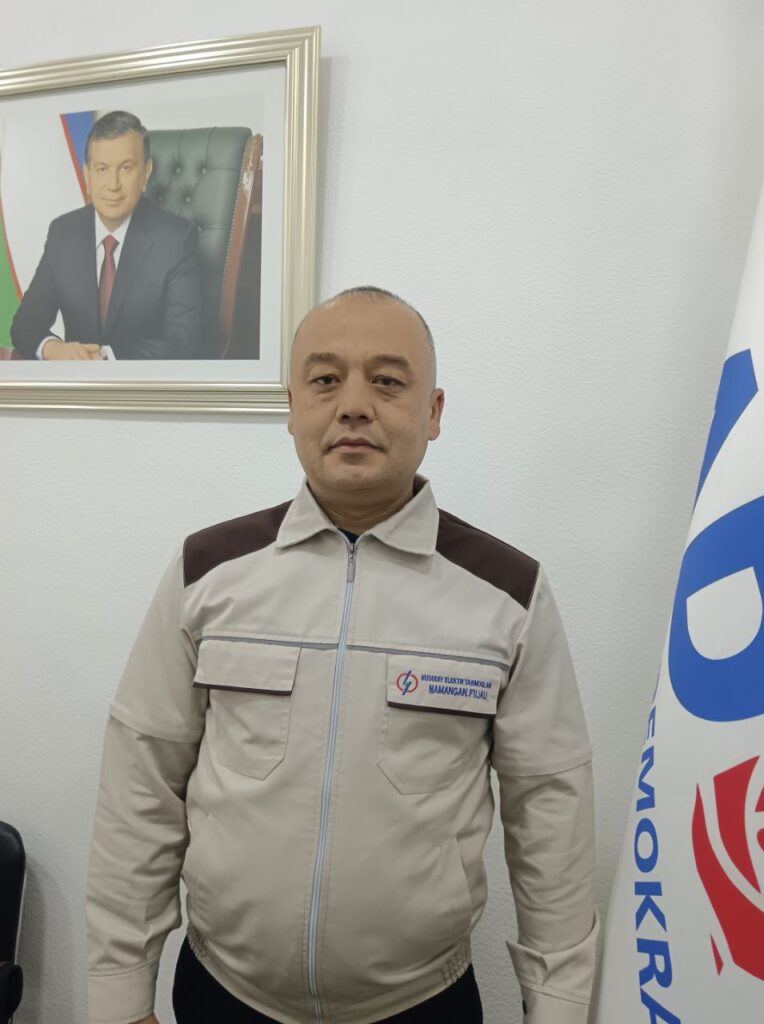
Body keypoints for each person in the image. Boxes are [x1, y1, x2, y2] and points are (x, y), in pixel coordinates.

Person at [86, 286, 598, 1024]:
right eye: (326, 380)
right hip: (224, 994)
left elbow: (551, 813)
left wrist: (559, 1008)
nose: (353, 405)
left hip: (421, 1004)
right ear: (292, 406)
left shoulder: (507, 594)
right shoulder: (208, 572)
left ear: (433, 412)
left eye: (388, 381)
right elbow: (141, 785)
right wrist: (118, 995)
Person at [10, 111, 201, 360]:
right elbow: (25, 325)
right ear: (87, 175)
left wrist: (105, 358)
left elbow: (185, 341)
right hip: (75, 382)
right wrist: (53, 349)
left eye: (126, 168)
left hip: (143, 383)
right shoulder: (63, 232)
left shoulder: (176, 238)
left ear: (146, 173)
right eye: (102, 169)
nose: (113, 184)